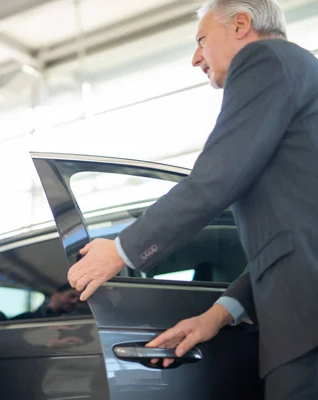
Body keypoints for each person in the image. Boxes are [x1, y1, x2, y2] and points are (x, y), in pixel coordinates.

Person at [66, 0, 318, 397]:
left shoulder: (264, 59)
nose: (195, 57)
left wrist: (121, 250)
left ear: (240, 25)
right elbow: (296, 235)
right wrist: (217, 315)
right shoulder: (299, 77)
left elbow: (216, 178)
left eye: (202, 40)